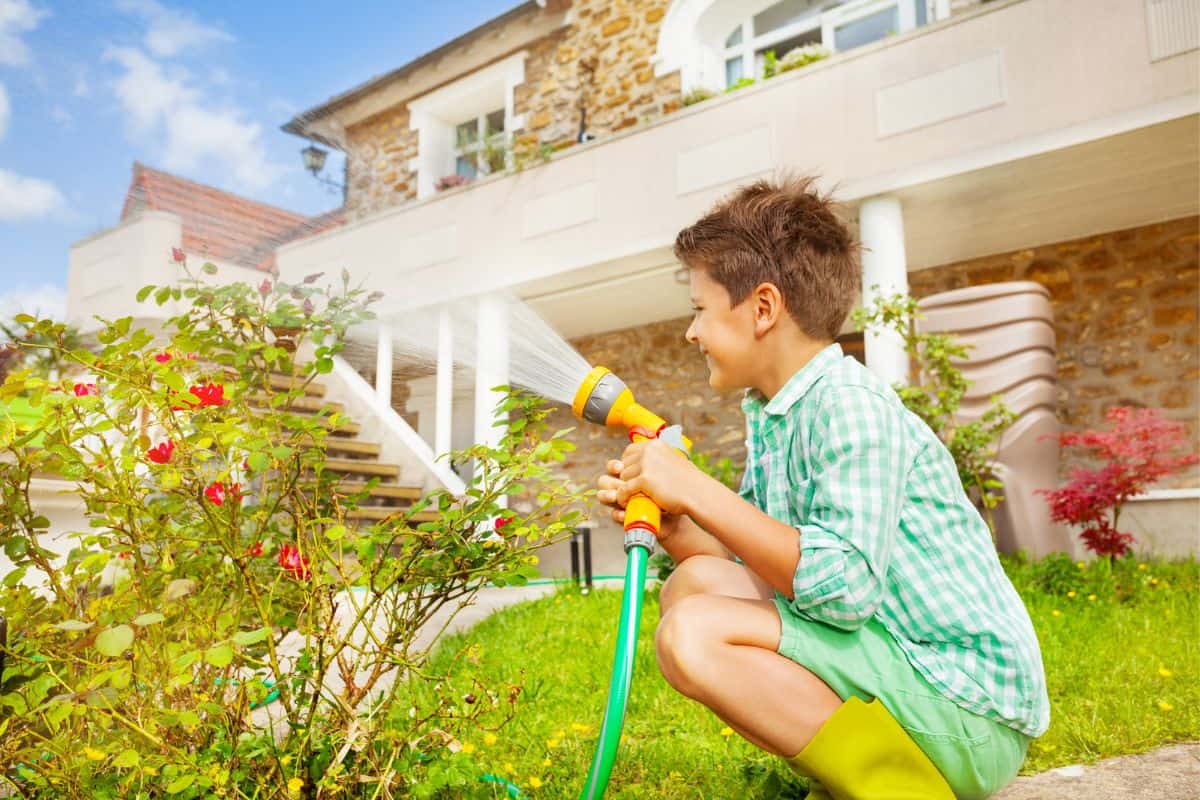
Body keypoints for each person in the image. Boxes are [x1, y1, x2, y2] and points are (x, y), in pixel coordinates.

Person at [595, 176, 1049, 799]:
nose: (691, 333)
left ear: (762, 308)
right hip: (900, 670)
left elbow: (843, 592)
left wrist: (697, 488)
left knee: (692, 635)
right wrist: (678, 527)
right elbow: (756, 568)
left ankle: (899, 789)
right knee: (694, 587)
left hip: (965, 708)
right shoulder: (778, 415)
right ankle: (859, 774)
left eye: (699, 309)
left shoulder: (850, 406)